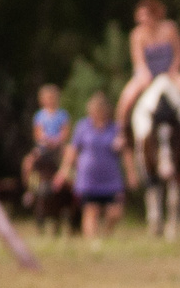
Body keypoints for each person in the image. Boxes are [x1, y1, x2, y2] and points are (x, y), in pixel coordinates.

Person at [114, 0, 180, 136]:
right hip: (148, 74)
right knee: (126, 97)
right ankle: (120, 133)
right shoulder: (137, 34)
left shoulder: (170, 28)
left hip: (170, 72)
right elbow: (138, 59)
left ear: (154, 14)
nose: (142, 20)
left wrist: (174, 69)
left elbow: (179, 52)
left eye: (145, 15)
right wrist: (144, 74)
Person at [56, 92, 130, 239]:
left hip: (111, 178)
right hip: (88, 178)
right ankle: (92, 244)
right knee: (91, 211)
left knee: (115, 212)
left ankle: (106, 235)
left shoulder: (115, 128)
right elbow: (73, 150)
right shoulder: (83, 127)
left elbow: (126, 152)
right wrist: (63, 171)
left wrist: (130, 172)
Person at [22, 84, 71, 185]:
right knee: (28, 162)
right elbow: (38, 134)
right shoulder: (39, 115)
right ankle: (30, 187)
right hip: (44, 146)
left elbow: (65, 133)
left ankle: (69, 181)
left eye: (52, 98)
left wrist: (56, 141)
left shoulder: (62, 114)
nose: (50, 100)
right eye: (48, 98)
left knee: (70, 156)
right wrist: (46, 140)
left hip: (58, 146)